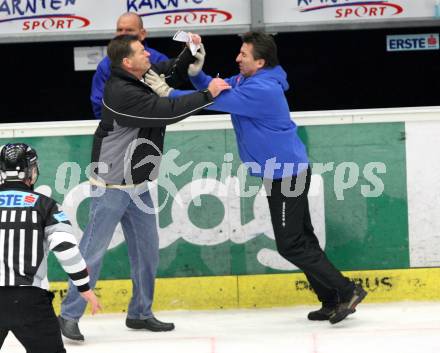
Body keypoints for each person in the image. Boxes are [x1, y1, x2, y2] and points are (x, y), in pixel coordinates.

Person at [147, 32, 367, 324]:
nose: (237, 58)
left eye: (244, 55)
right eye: (239, 52)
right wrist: (198, 76)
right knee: (304, 240)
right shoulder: (251, 80)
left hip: (286, 174)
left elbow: (212, 102)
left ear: (260, 62)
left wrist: (168, 94)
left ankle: (347, 290)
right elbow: (218, 90)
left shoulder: (262, 89)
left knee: (291, 245)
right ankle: (331, 300)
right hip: (281, 172)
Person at [58, 34, 230, 341]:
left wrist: (190, 50)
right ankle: (69, 315)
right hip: (111, 185)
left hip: (138, 185)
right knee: (92, 253)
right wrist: (208, 94)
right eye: (141, 52)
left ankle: (139, 312)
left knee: (148, 252)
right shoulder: (121, 91)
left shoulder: (142, 75)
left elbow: (171, 69)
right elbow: (168, 110)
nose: (148, 55)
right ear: (127, 62)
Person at [0, 143, 101, 353]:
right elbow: (66, 248)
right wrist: (84, 287)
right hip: (29, 300)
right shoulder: (46, 205)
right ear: (32, 171)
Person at [91, 12, 169, 119]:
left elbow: (170, 100)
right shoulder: (105, 65)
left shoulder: (159, 60)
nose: (123, 34)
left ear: (142, 34)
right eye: (119, 30)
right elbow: (99, 102)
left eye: (129, 30)